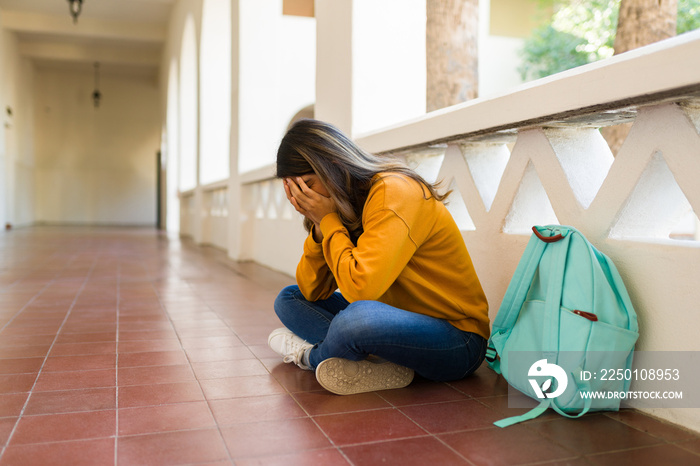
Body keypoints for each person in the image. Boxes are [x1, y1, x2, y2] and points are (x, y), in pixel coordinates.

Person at [268, 119, 490, 395]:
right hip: (393, 321)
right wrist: (318, 227)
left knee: (357, 319)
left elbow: (361, 289)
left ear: (333, 166)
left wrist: (328, 220)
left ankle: (311, 357)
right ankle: (376, 360)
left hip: (457, 340)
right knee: (290, 299)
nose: (304, 198)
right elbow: (312, 290)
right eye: (296, 191)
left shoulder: (392, 191)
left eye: (309, 185)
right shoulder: (343, 205)